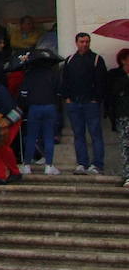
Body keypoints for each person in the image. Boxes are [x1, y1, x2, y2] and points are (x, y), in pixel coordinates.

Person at [60, 32, 108, 175]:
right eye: (82, 41)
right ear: (76, 43)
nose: (85, 44)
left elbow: (102, 82)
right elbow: (65, 81)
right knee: (78, 134)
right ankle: (82, 163)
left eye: (87, 41)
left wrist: (96, 99)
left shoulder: (96, 59)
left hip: (91, 103)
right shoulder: (70, 60)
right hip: (74, 103)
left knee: (95, 134)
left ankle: (97, 164)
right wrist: (67, 98)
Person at [20, 51, 61, 174]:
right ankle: (49, 165)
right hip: (50, 106)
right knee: (49, 136)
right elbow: (59, 92)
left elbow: (23, 94)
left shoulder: (30, 75)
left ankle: (27, 165)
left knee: (32, 136)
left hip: (34, 108)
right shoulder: (53, 74)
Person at [104, 49, 129, 188]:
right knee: (126, 146)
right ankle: (128, 174)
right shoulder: (115, 75)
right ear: (123, 60)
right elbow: (113, 92)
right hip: (123, 116)